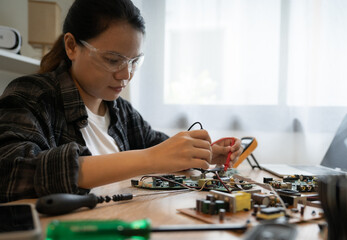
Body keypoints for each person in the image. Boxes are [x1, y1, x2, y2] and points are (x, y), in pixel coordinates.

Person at [0, 0, 242, 203]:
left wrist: (205, 154)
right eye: (113, 60)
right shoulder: (31, 96)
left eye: (134, 61)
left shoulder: (120, 112)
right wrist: (150, 159)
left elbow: (160, 148)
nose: (126, 75)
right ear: (72, 46)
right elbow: (10, 171)